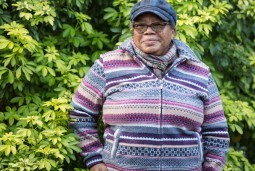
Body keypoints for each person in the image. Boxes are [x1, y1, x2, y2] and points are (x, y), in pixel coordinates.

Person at [69, 0, 230, 170]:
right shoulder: (108, 65)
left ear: (173, 30)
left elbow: (216, 132)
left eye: (158, 25)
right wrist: (94, 158)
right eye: (140, 25)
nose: (148, 31)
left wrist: (212, 168)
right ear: (133, 30)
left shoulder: (199, 73)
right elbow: (79, 114)